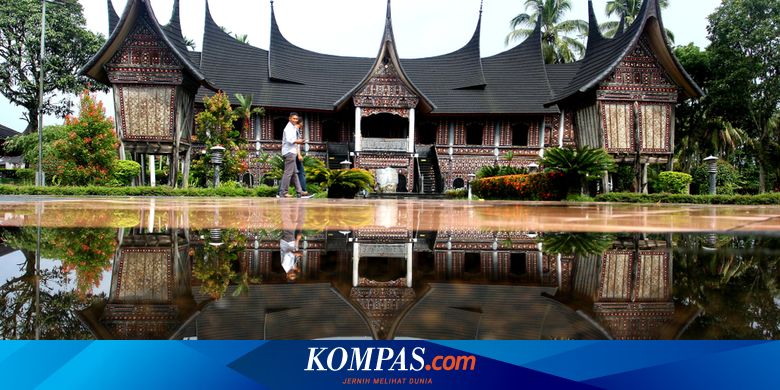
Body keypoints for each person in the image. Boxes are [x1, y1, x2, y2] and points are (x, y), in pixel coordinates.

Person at [278, 112, 308, 198]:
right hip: (289, 152)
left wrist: (299, 141)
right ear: (290, 118)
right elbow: (289, 140)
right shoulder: (288, 128)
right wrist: (298, 141)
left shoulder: (293, 128)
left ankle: (299, 191)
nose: (295, 120)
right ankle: (283, 192)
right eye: (294, 118)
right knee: (288, 173)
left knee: (295, 173)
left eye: (296, 119)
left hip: (292, 152)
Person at [294, 117, 308, 195]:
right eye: (302, 122)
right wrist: (299, 154)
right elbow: (295, 144)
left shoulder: (296, 130)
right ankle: (303, 190)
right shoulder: (295, 131)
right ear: (300, 123)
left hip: (294, 154)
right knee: (301, 172)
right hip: (295, 154)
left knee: (288, 173)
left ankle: (280, 192)